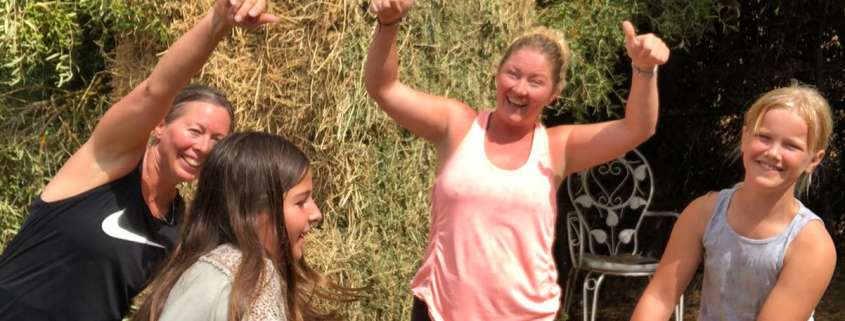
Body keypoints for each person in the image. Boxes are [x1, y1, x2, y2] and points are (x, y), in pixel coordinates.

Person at [365, 1, 670, 320]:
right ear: (498, 74)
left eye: (536, 82)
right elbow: (383, 88)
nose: (520, 89)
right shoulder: (456, 126)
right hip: (441, 311)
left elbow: (639, 127)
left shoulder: (557, 146)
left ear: (554, 93)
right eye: (513, 74)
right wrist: (389, 23)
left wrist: (644, 70)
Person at [0, 1, 278, 320]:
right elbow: (155, 90)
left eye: (217, 140)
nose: (202, 147)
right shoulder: (105, 165)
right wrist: (218, 22)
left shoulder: (177, 228)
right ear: (159, 125)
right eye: (195, 130)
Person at [629, 85, 837, 321]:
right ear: (744, 137)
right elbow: (659, 297)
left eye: (791, 146)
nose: (773, 153)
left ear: (814, 159)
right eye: (764, 137)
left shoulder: (812, 246)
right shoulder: (703, 213)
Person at [132, 132, 357, 321]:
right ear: (254, 212)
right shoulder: (218, 280)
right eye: (300, 202)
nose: (316, 214)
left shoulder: (255, 274)